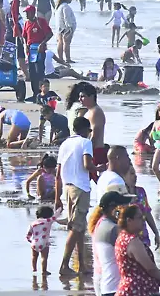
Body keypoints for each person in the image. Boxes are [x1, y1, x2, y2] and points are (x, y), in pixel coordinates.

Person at [54, 115, 94, 276]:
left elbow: (58, 173)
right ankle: (64, 265)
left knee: (79, 228)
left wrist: (57, 199)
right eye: (89, 130)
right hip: (80, 188)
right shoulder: (86, 142)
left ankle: (82, 265)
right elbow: (87, 165)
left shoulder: (65, 144)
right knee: (76, 228)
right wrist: (100, 167)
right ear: (85, 130)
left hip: (67, 187)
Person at [113, 205, 160, 296]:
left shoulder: (122, 237)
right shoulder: (132, 241)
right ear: (129, 220)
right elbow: (150, 268)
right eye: (139, 217)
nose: (143, 220)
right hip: (136, 290)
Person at [89, 190, 135, 296]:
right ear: (113, 208)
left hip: (103, 279)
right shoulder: (113, 228)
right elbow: (135, 254)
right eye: (123, 205)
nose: (127, 208)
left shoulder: (101, 223)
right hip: (113, 285)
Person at [26, 204, 65, 275]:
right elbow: (55, 216)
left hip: (34, 243)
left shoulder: (33, 223)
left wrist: (29, 240)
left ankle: (34, 269)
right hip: (44, 243)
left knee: (34, 257)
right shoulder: (48, 221)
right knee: (44, 258)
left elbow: (28, 234)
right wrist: (60, 208)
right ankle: (44, 271)